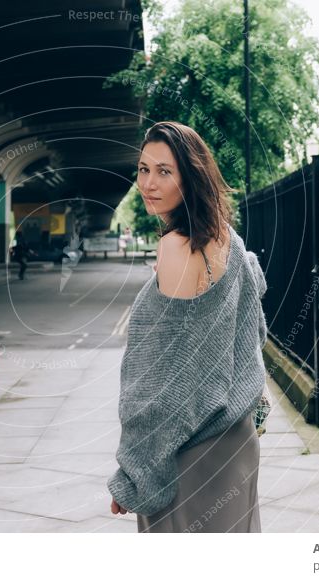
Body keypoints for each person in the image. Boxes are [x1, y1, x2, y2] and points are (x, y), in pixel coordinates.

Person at [107, 121, 268, 533]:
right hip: (235, 441)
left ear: (190, 176)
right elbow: (248, 335)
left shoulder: (176, 246)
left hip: (188, 454)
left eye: (164, 171)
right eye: (143, 170)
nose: (149, 183)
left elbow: (166, 379)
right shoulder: (228, 238)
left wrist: (134, 471)